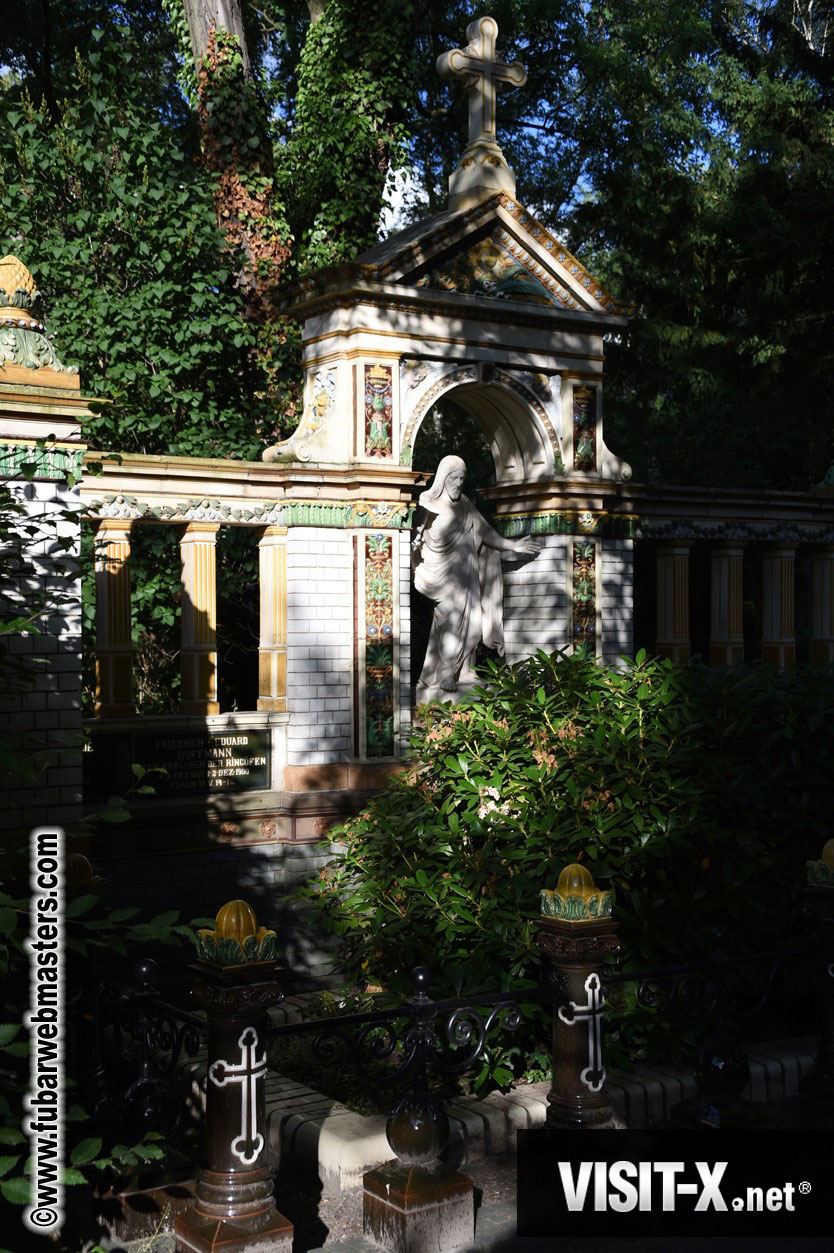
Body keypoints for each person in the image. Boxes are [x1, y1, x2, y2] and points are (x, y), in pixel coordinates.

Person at [412, 455, 540, 695]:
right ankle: (447, 673)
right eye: (454, 478)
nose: (458, 483)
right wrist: (414, 541)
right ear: (443, 478)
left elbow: (486, 534)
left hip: (468, 574)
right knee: (451, 620)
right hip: (444, 577)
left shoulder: (466, 505)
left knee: (474, 621)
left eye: (462, 479)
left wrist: (513, 546)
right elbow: (415, 534)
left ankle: (465, 671)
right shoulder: (428, 503)